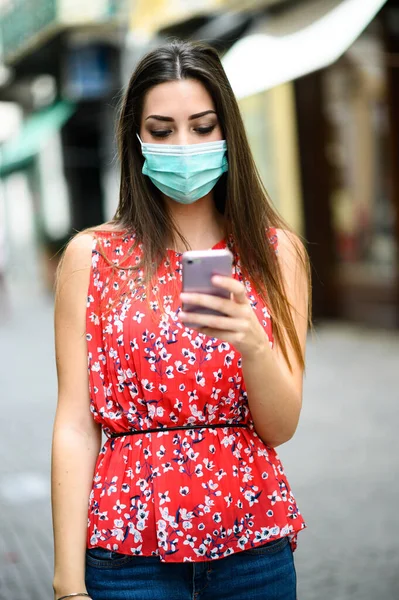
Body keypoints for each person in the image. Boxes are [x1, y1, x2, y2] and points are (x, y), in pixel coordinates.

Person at [51, 40, 311, 600]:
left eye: (202, 125)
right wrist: (67, 582)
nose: (185, 145)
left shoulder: (275, 252)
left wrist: (253, 345)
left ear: (228, 133)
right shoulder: (91, 257)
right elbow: (75, 423)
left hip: (252, 548)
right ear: (137, 139)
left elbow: (282, 426)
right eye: (163, 130)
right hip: (127, 552)